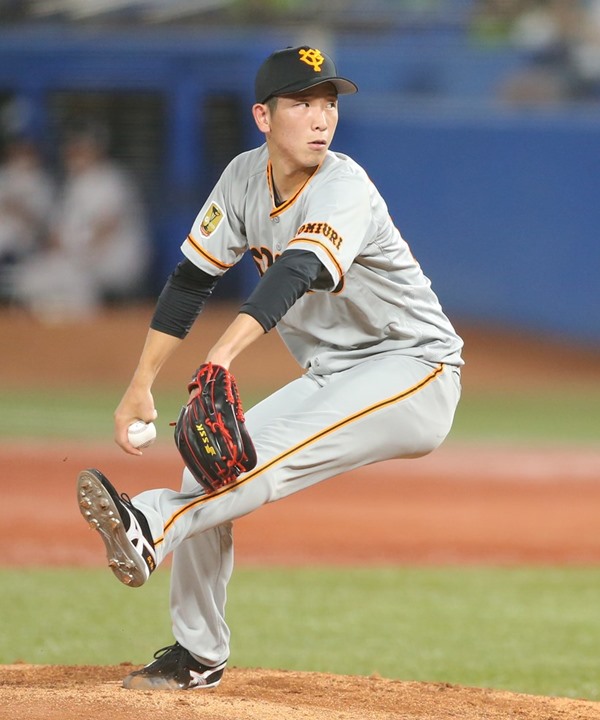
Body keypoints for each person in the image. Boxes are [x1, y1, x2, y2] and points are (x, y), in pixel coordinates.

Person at [76, 45, 464, 691]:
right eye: (302, 103)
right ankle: (198, 655)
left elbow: (297, 271)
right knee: (207, 466)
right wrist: (140, 384)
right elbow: (190, 281)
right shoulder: (241, 179)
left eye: (329, 103)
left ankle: (149, 522)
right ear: (263, 116)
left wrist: (222, 354)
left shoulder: (343, 186)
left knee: (263, 463)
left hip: (414, 368)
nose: (321, 117)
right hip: (333, 374)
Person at [14, 123, 149, 322]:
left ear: (96, 150)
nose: (74, 155)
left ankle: (83, 326)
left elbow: (107, 228)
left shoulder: (111, 180)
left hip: (111, 257)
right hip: (76, 257)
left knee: (76, 283)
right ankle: (56, 320)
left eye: (81, 149)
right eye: (72, 149)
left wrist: (74, 251)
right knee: (29, 279)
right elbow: (56, 234)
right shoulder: (74, 183)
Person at [0, 134, 54, 303]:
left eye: (27, 153)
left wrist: (16, 208)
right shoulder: (4, 175)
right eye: (18, 152)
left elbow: (40, 221)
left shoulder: (42, 183)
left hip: (27, 240)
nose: (22, 158)